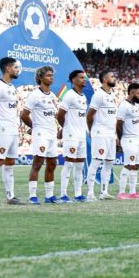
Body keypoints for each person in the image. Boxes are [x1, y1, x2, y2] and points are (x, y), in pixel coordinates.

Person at [0, 57, 22, 206]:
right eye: (15, 67)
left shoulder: (11, 87)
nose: (17, 70)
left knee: (10, 162)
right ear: (8, 69)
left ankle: (10, 196)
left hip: (13, 129)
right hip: (2, 129)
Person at [21, 66, 59, 205]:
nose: (51, 78)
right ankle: (32, 196)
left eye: (52, 75)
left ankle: (49, 196)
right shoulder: (35, 95)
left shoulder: (53, 96)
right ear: (40, 78)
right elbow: (24, 115)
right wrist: (34, 127)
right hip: (41, 133)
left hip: (52, 134)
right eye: (48, 75)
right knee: (37, 163)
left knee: (52, 163)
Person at [57, 70, 89, 203]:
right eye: (81, 78)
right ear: (74, 80)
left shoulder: (83, 96)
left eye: (84, 77)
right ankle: (63, 194)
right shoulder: (69, 95)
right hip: (71, 135)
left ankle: (78, 194)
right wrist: (66, 128)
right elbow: (60, 114)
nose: (84, 80)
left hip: (81, 135)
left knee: (79, 166)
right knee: (69, 164)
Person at [86, 70, 118, 201]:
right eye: (112, 76)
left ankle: (104, 191)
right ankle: (90, 193)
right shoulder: (98, 95)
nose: (114, 78)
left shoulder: (112, 94)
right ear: (105, 79)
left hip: (111, 134)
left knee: (109, 162)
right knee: (96, 161)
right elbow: (89, 116)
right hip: (100, 133)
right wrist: (92, 132)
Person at [115, 83, 139, 199]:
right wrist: (121, 139)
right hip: (128, 139)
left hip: (137, 139)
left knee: (136, 165)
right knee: (128, 165)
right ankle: (121, 193)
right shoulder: (124, 105)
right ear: (132, 92)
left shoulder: (135, 105)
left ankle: (133, 192)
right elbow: (119, 124)